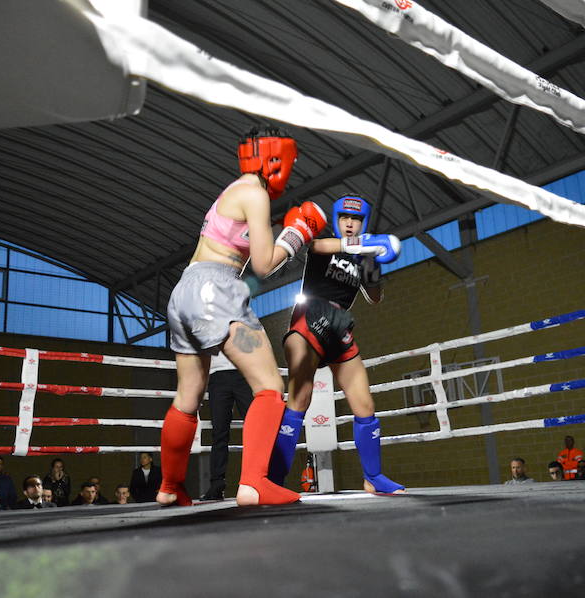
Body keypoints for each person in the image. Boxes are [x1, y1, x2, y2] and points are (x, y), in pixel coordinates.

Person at [157, 126, 326, 507]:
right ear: (276, 159)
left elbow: (245, 259)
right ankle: (253, 483)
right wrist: (297, 234)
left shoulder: (232, 191)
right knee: (269, 386)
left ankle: (169, 486)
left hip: (186, 290)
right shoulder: (255, 193)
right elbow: (264, 266)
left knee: (187, 396)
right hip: (216, 288)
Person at [267, 194, 405, 495]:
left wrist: (373, 267)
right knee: (299, 397)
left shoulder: (365, 255)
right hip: (310, 316)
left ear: (362, 222)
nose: (350, 223)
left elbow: (375, 298)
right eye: (345, 218)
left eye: (355, 219)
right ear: (337, 220)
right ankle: (274, 481)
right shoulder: (328, 244)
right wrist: (364, 244)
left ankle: (373, 477)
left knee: (365, 403)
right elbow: (316, 246)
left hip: (340, 323)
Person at [201, 351, 254, 501]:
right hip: (217, 376)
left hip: (243, 372)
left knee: (254, 429)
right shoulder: (207, 326)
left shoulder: (247, 325)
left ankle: (256, 480)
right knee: (219, 432)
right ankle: (217, 484)